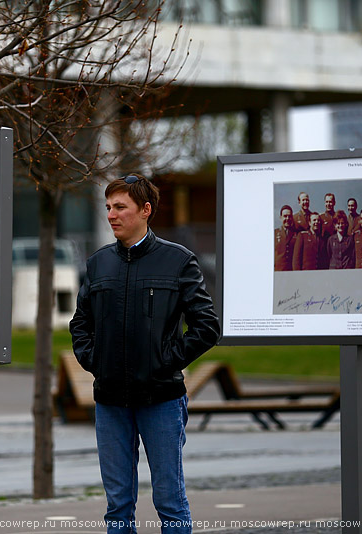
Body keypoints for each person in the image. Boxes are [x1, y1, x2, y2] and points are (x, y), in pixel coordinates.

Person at [69, 174, 220, 534]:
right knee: (117, 506)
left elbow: (207, 327)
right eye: (108, 207)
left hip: (161, 400)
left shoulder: (178, 260)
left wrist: (164, 361)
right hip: (110, 402)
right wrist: (97, 363)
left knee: (170, 501)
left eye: (120, 207)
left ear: (145, 210)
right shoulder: (98, 263)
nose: (111, 215)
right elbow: (80, 325)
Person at [274, 205, 298, 271]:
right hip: (278, 270)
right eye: (285, 216)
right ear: (280, 217)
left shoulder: (297, 234)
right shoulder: (274, 233)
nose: (287, 218)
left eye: (289, 216)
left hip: (291, 271)